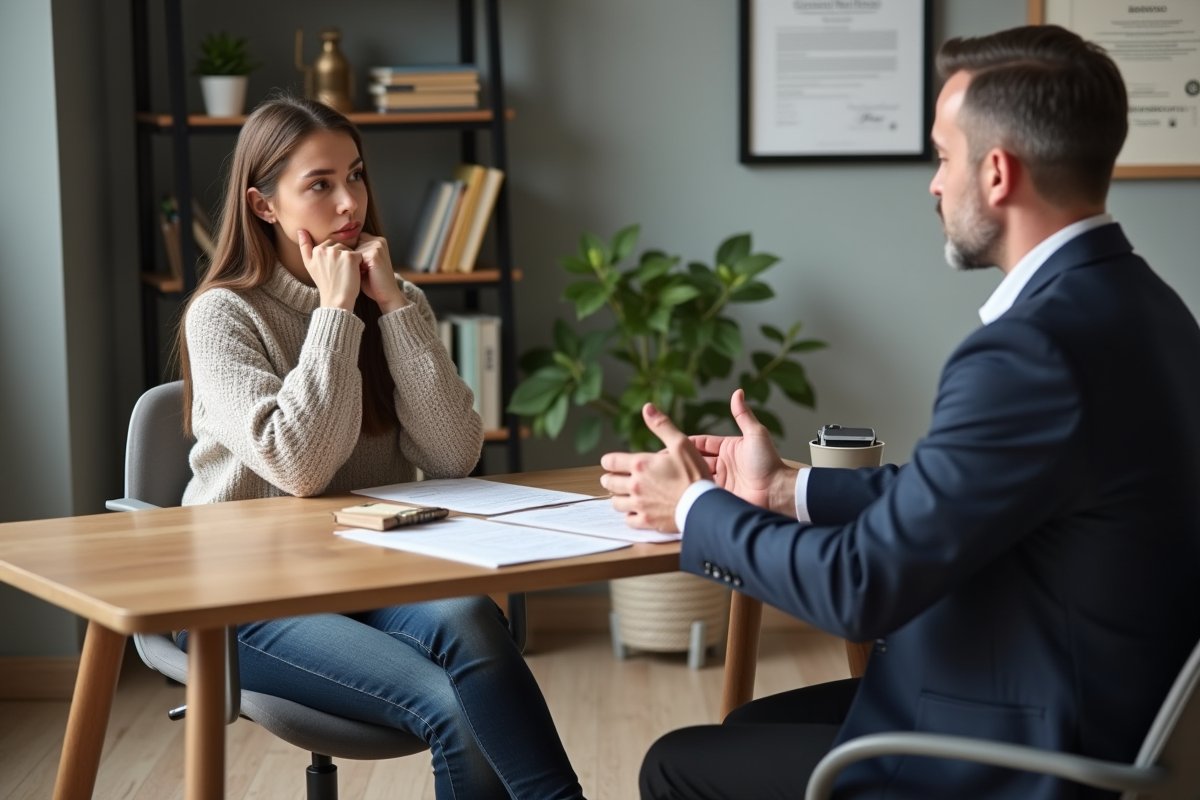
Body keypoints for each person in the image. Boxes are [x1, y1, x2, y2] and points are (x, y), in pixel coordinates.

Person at [600, 25, 1200, 800]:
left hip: (1032, 750)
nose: (933, 184)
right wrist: (787, 489)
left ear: (995, 173)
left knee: (676, 764)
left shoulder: (1029, 352)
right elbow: (958, 495)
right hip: (1098, 708)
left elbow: (861, 587)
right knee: (745, 737)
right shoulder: (1151, 309)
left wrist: (692, 506)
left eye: (943, 156)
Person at [175, 95, 585, 800]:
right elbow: (301, 466)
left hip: (370, 573)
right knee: (455, 708)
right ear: (264, 205)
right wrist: (335, 312)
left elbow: (456, 455)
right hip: (243, 596)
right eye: (320, 184)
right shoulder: (223, 315)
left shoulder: (397, 297)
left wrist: (393, 308)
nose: (348, 202)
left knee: (470, 621)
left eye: (356, 175)